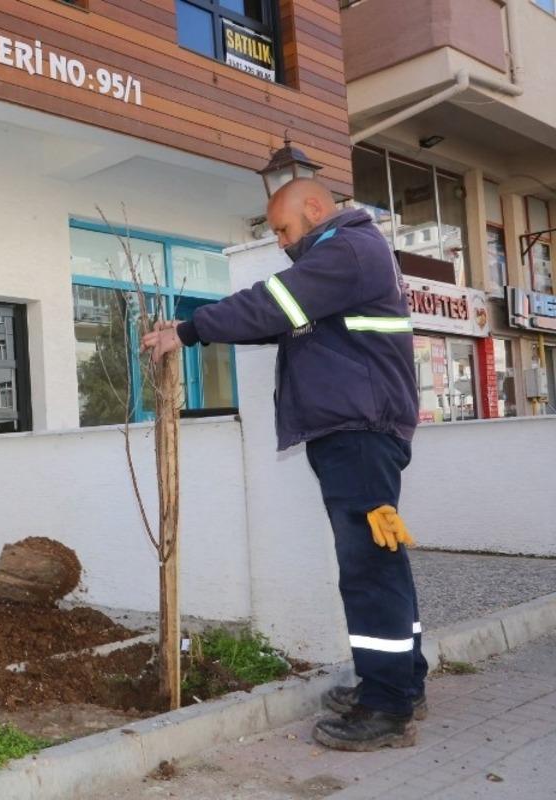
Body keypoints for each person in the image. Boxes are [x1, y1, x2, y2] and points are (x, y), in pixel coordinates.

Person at [143, 178, 427, 751]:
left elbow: (273, 303)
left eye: (282, 229)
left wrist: (189, 331)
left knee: (369, 568)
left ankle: (387, 705)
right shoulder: (349, 257)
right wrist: (202, 330)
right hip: (357, 432)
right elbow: (280, 322)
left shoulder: (348, 250)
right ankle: (400, 682)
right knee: (380, 562)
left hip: (360, 433)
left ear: (315, 209)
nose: (279, 242)